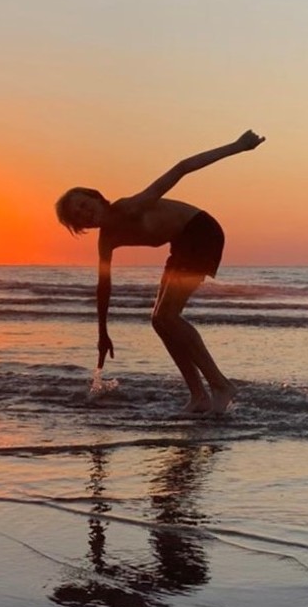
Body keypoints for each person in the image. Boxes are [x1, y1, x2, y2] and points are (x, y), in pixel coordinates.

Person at [55, 130, 265, 413]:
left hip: (201, 232)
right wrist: (103, 334)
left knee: (167, 316)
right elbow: (103, 286)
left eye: (83, 205)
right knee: (159, 320)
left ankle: (220, 384)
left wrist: (238, 146)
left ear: (96, 197)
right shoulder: (107, 240)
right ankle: (198, 395)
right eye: (77, 217)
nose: (84, 213)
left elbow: (181, 168)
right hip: (180, 245)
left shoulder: (131, 207)